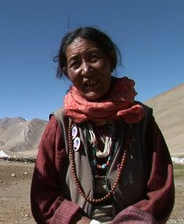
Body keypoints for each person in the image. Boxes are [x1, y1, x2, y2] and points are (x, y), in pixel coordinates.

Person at [30, 27, 175, 224]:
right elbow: (43, 194)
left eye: (93, 57)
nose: (86, 70)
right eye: (75, 64)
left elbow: (161, 190)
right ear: (67, 72)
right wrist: (81, 222)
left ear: (111, 59)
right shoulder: (61, 124)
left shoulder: (140, 119)